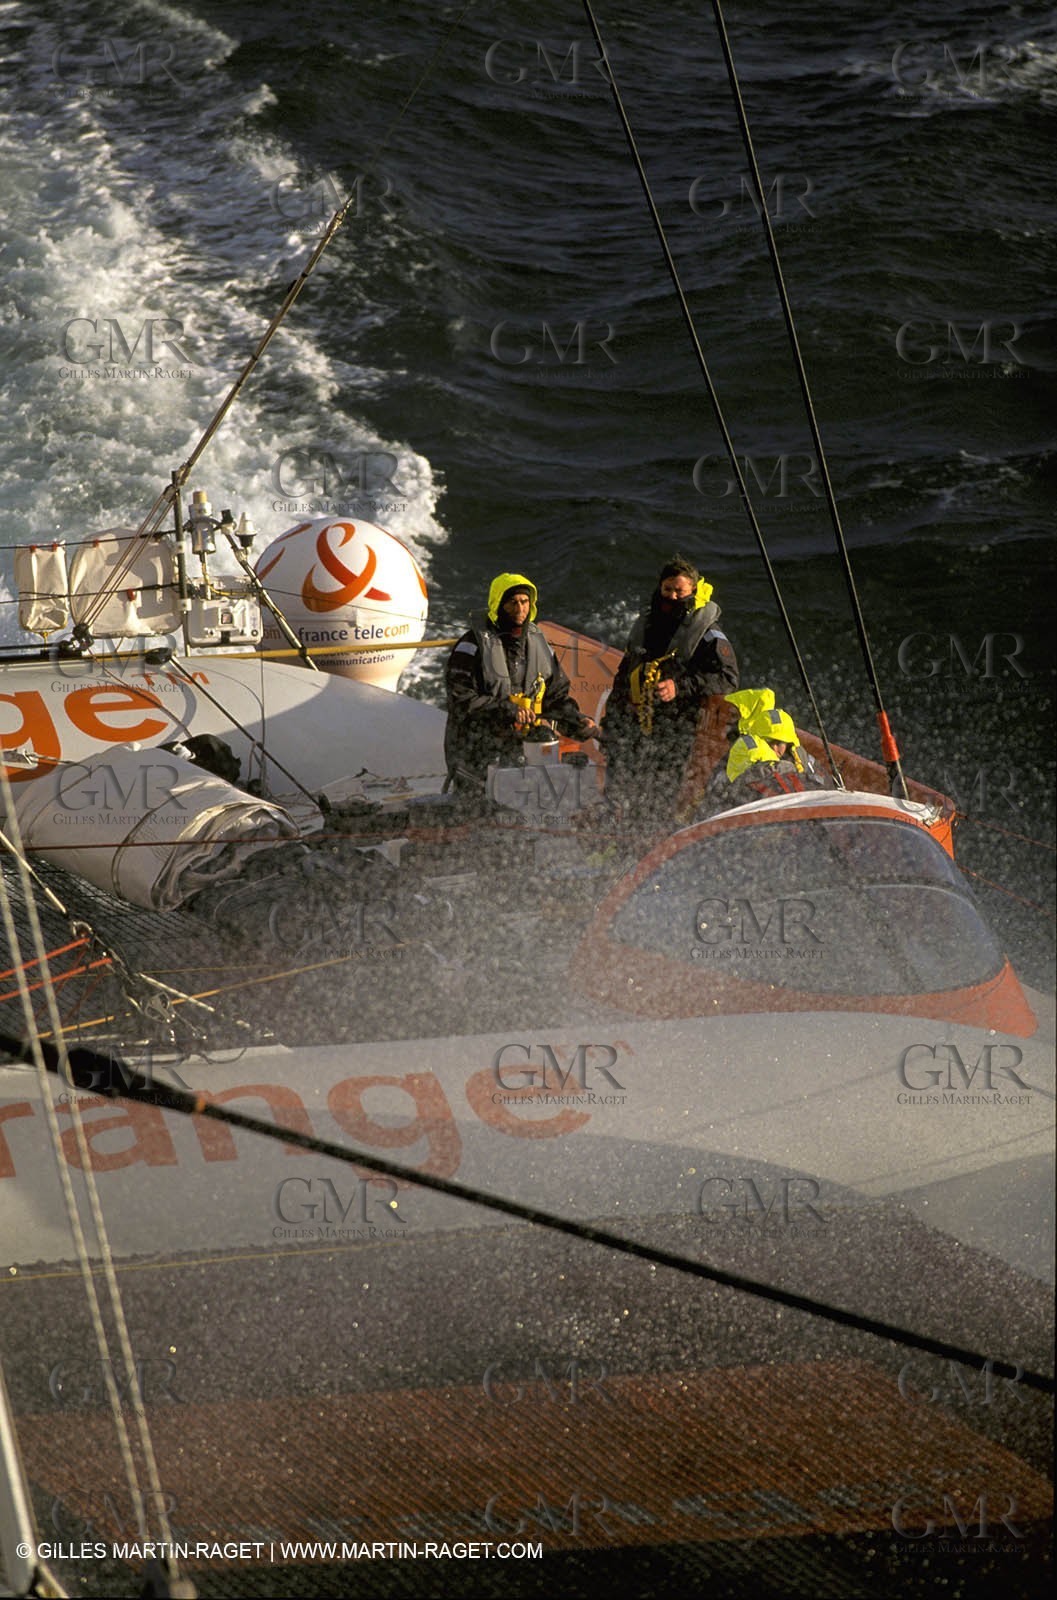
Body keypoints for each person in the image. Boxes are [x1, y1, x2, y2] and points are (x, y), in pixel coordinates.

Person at [601, 555, 738, 827]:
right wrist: (612, 719)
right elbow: (625, 674)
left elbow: (728, 678)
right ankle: (618, 841)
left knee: (660, 794)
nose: (673, 596)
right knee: (621, 789)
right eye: (668, 590)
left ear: (694, 591)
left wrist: (680, 686)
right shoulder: (645, 624)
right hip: (636, 723)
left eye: (680, 591)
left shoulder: (708, 634)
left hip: (677, 728)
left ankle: (652, 840)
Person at [444, 573, 599, 793]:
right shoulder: (470, 646)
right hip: (474, 754)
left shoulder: (540, 645)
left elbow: (555, 698)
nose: (520, 609)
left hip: (523, 751)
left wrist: (577, 721)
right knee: (491, 810)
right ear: (498, 605)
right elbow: (460, 700)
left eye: (524, 602)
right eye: (512, 603)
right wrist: (507, 709)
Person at [700, 687, 832, 813]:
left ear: (788, 744)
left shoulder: (803, 760)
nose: (775, 748)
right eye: (770, 743)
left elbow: (827, 788)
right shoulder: (746, 751)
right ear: (760, 741)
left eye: (779, 743)